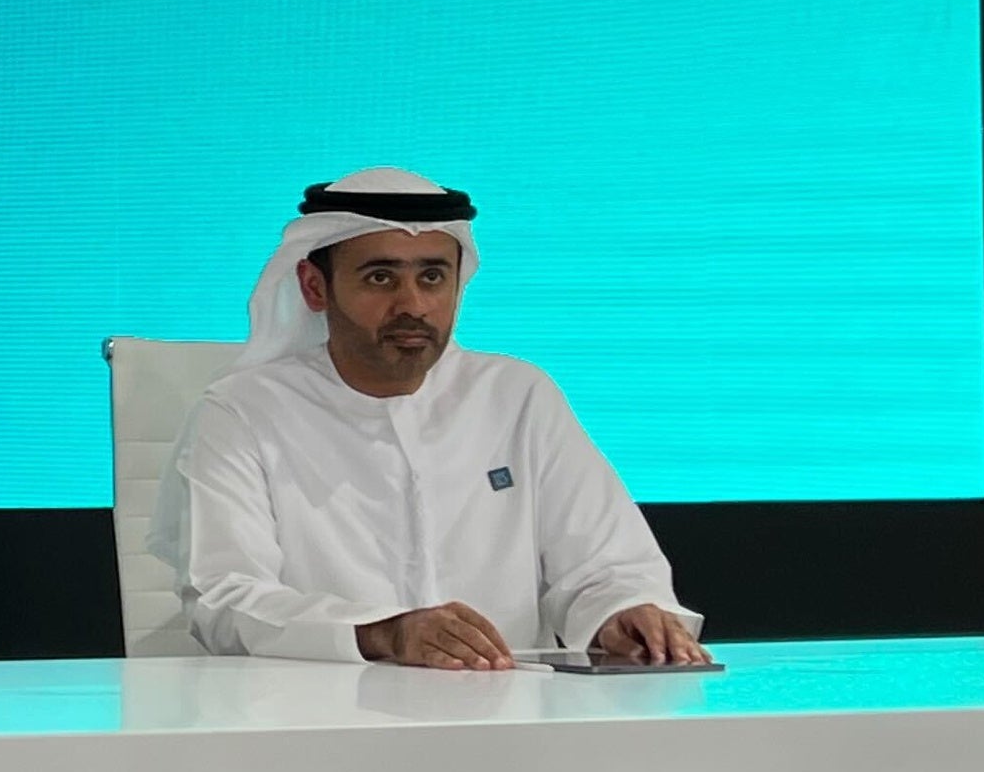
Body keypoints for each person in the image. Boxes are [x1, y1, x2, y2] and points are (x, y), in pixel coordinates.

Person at [150, 170, 708, 670]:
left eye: (433, 278)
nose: (413, 305)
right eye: (381, 278)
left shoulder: (518, 395)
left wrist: (624, 610)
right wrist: (383, 633)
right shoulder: (244, 411)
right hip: (318, 718)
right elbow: (226, 599)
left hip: (507, 714)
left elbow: (603, 562)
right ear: (315, 287)